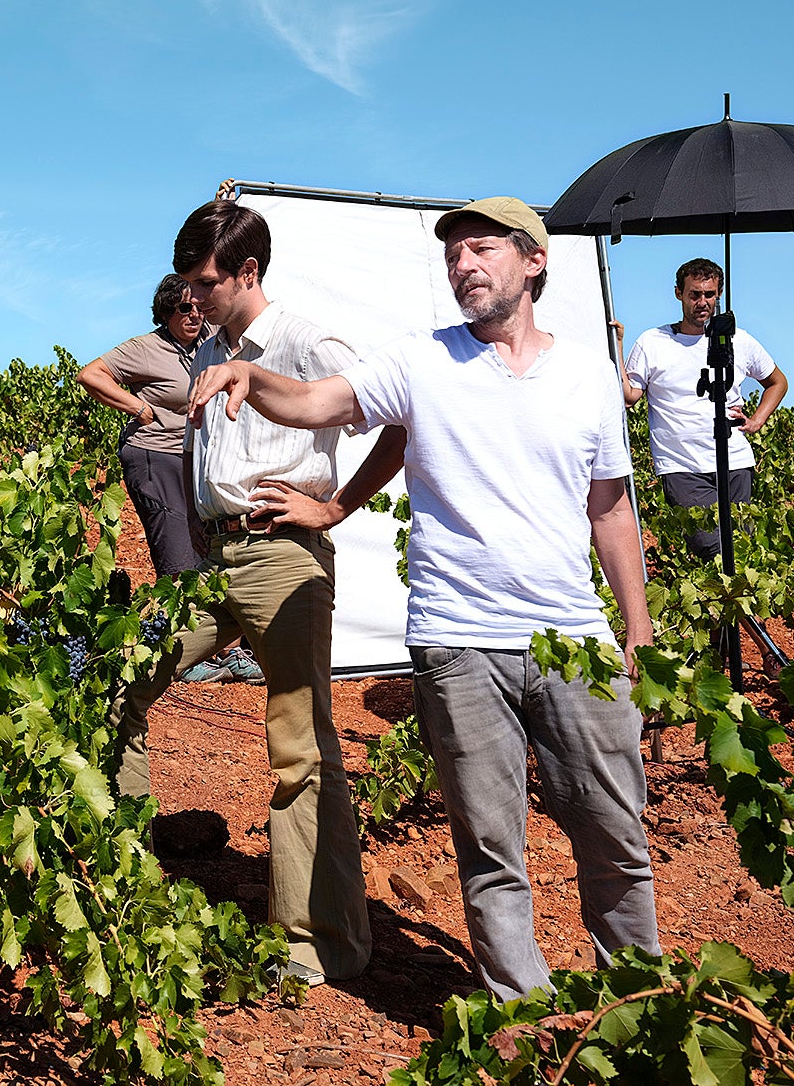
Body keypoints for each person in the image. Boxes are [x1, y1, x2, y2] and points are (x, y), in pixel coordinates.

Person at [189, 196, 658, 1001]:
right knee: (487, 850)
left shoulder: (587, 377)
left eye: (480, 251)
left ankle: (640, 1003)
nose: (463, 266)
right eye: (453, 256)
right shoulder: (420, 360)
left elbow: (611, 508)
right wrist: (252, 376)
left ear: (534, 261)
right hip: (457, 640)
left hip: (572, 637)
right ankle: (525, 1019)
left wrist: (637, 627)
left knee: (615, 838)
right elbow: (317, 403)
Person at [113, 199, 406, 987]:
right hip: (217, 560)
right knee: (118, 680)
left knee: (299, 745)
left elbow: (400, 417)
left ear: (248, 271)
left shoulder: (309, 340)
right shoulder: (207, 347)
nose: (195, 297)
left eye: (207, 281)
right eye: (188, 283)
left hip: (284, 556)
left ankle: (317, 945)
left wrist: (335, 506)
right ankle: (121, 885)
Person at [77, 274, 262, 684]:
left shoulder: (208, 344)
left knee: (208, 544)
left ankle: (222, 648)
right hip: (153, 455)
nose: (194, 314)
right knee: (177, 549)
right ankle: (181, 651)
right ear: (165, 312)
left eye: (197, 306)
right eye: (183, 308)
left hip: (193, 457)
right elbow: (91, 375)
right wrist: (139, 409)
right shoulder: (147, 348)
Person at [615, 257, 789, 558]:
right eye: (695, 294)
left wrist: (758, 419)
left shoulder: (739, 340)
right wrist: (617, 345)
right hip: (682, 467)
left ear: (718, 295)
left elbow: (777, 382)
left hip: (734, 462)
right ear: (679, 293)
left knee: (741, 551)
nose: (702, 302)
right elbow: (630, 396)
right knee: (713, 548)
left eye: (709, 295)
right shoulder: (653, 342)